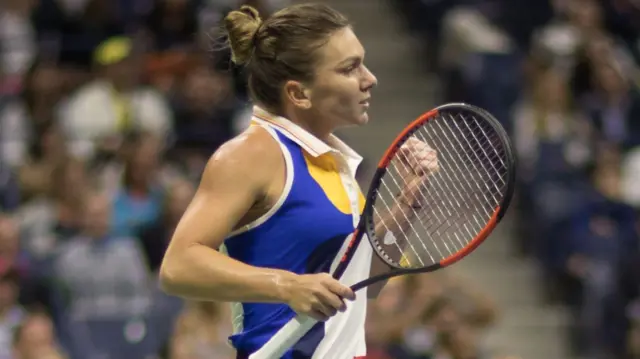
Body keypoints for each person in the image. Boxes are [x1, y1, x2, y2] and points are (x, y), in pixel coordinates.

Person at [160, 3, 435, 358]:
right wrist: (285, 285)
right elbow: (178, 265)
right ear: (299, 94)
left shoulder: (335, 164)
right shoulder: (252, 154)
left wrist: (407, 202)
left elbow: (362, 283)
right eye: (350, 68)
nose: (370, 79)